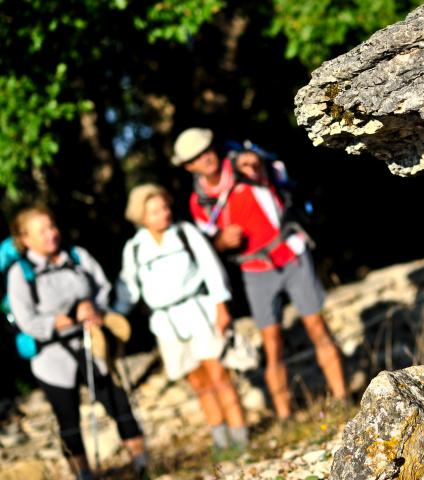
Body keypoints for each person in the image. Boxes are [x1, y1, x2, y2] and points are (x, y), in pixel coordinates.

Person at [172, 128, 347, 420]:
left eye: (207, 149)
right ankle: (285, 416)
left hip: (291, 254)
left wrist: (252, 162)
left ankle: (342, 400)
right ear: (188, 166)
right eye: (196, 157)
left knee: (317, 326)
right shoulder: (199, 201)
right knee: (272, 342)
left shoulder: (242, 163)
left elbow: (258, 164)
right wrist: (221, 242)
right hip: (254, 270)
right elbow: (207, 245)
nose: (206, 158)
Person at [7, 206, 147, 480]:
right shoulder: (19, 274)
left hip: (92, 343)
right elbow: (27, 322)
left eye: (52, 227)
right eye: (42, 231)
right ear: (25, 238)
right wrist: (67, 318)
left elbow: (103, 288)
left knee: (117, 402)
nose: (51, 234)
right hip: (51, 356)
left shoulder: (77, 256)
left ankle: (143, 465)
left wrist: (94, 308)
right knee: (67, 417)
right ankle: (83, 474)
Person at [113, 184, 248, 451]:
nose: (163, 213)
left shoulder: (185, 233)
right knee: (198, 382)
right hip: (166, 322)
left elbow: (212, 268)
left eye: (165, 207)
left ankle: (241, 439)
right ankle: (221, 442)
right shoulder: (135, 248)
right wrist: (114, 317)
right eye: (155, 211)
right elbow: (127, 289)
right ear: (142, 216)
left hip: (199, 310)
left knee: (219, 375)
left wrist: (221, 307)